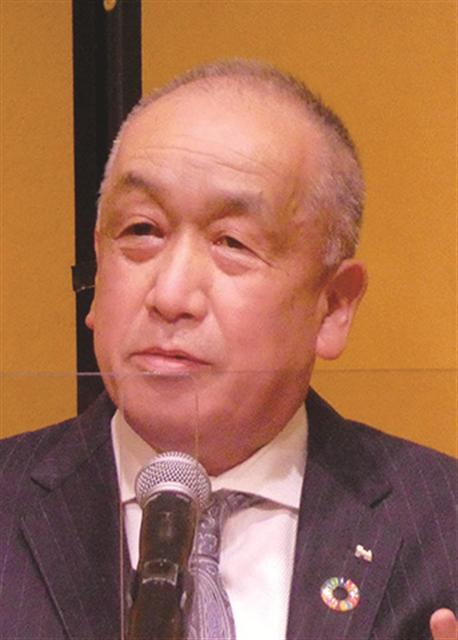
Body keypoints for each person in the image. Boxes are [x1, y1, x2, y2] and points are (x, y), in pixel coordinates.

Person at [0, 60, 456, 640]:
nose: (170, 296)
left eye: (232, 243)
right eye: (141, 230)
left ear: (333, 305)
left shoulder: (444, 527)